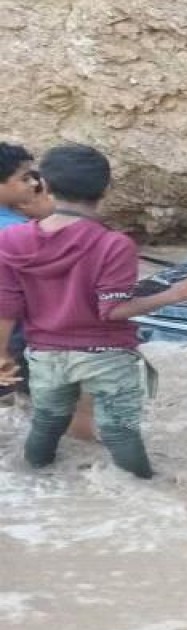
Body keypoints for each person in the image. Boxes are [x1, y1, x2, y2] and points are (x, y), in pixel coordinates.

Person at [0, 144, 187, 478]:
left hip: (44, 354)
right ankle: (149, 493)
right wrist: (174, 294)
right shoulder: (113, 244)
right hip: (105, 355)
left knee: (47, 424)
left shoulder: (13, 240)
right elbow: (112, 310)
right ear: (105, 190)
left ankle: (35, 482)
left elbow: (7, 305)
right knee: (118, 431)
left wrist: (2, 354)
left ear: (48, 186)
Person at [0, 142, 97, 441]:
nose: (34, 185)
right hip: (23, 335)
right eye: (25, 178)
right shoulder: (15, 231)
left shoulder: (14, 224)